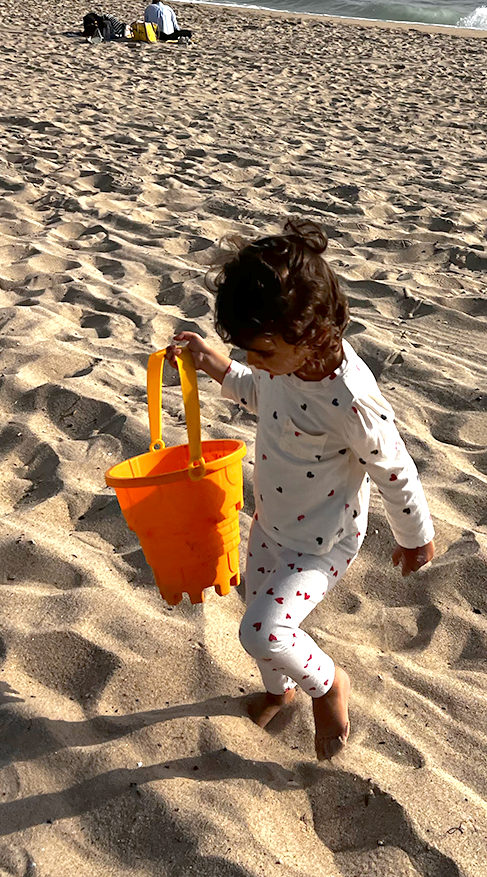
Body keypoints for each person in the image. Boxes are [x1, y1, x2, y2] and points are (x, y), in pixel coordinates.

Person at [169, 220, 434, 761]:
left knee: (263, 630)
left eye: (259, 351)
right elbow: (260, 392)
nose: (254, 361)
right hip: (272, 521)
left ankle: (329, 685)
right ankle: (277, 691)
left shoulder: (352, 402)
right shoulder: (284, 363)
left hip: (323, 540)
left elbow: (395, 470)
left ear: (310, 334)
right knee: (258, 606)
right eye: (246, 350)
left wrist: (415, 535)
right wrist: (216, 365)